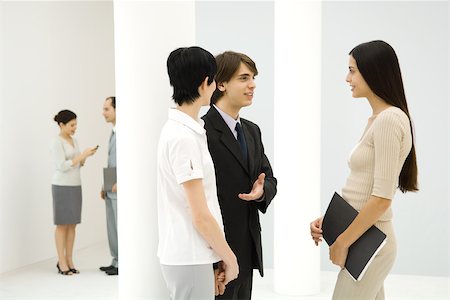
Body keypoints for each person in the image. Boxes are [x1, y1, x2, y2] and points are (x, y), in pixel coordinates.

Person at [310, 40, 418, 300]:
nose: (347, 78)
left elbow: (381, 199)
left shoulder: (389, 120)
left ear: (373, 71)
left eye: (352, 70)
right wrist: (330, 222)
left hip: (371, 244)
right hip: (365, 239)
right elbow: (362, 188)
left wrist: (342, 242)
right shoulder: (378, 120)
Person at [157, 46, 239, 300]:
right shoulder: (183, 138)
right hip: (189, 256)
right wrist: (230, 259)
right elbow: (200, 215)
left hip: (192, 256)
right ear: (206, 82)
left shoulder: (182, 131)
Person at [202, 51, 277, 300]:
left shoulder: (252, 131)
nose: (252, 84)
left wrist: (261, 191)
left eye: (253, 77)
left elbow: (269, 178)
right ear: (221, 83)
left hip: (247, 248)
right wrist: (213, 262)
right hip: (217, 252)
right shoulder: (202, 132)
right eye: (244, 78)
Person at [50, 109, 97, 275]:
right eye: (71, 125)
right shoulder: (57, 142)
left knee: (73, 225)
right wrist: (81, 156)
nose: (74, 127)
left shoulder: (75, 140)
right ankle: (61, 261)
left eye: (76, 124)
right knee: (62, 224)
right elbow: (61, 166)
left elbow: (77, 164)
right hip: (62, 186)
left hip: (76, 185)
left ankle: (69, 259)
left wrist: (85, 157)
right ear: (62, 125)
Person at [99, 96, 118, 276]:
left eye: (107, 109)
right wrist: (104, 185)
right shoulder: (113, 132)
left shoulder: (124, 133)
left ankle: (122, 262)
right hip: (110, 185)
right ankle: (116, 260)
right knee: (112, 226)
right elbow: (111, 160)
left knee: (119, 225)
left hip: (118, 187)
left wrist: (122, 181)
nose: (103, 112)